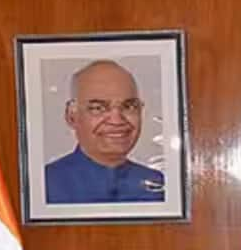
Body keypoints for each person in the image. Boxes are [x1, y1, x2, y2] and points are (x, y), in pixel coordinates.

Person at [44, 60, 165, 204]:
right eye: (98, 108)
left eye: (129, 106)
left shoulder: (159, 186)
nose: (117, 120)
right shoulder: (44, 185)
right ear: (71, 116)